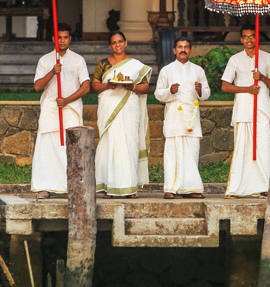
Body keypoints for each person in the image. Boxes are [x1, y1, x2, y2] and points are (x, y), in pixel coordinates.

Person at [31, 23, 90, 198]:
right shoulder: (45, 60)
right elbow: (37, 86)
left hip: (70, 108)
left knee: (72, 146)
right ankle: (45, 186)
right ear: (53, 39)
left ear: (70, 39)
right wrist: (52, 71)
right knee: (48, 147)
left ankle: (72, 186)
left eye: (65, 37)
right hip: (51, 108)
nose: (62, 41)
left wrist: (67, 100)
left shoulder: (78, 60)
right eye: (59, 37)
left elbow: (86, 86)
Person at [221, 23, 270, 197]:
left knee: (263, 149)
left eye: (252, 36)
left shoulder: (267, 58)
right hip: (243, 110)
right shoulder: (235, 60)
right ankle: (236, 188)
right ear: (241, 40)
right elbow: (225, 86)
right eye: (245, 37)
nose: (249, 40)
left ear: (257, 38)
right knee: (242, 149)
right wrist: (247, 89)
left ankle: (264, 186)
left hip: (261, 110)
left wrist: (262, 77)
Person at [92, 31, 151, 198]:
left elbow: (145, 87)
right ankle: (108, 186)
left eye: (120, 41)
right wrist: (107, 86)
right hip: (108, 104)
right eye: (114, 43)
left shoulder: (135, 65)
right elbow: (94, 85)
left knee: (129, 143)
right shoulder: (103, 64)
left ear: (125, 43)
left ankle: (130, 187)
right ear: (110, 46)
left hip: (129, 107)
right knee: (109, 144)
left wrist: (132, 87)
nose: (117, 45)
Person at [154, 37, 211, 199]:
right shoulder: (167, 70)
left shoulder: (198, 70)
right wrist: (169, 91)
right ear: (174, 50)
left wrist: (200, 91)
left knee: (192, 152)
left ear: (190, 50)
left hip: (192, 118)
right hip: (174, 117)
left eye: (186, 47)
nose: (183, 50)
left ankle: (191, 188)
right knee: (172, 153)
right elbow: (158, 93)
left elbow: (207, 93)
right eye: (180, 47)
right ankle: (170, 188)